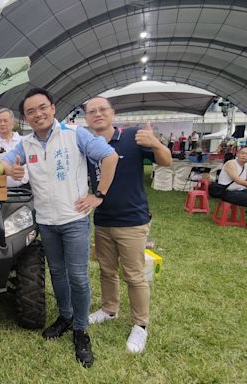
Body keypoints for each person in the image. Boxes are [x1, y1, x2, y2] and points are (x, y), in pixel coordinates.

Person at [1, 88, 118, 368]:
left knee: (78, 276)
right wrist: (10, 170)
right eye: (31, 111)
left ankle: (80, 329)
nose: (38, 114)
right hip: (46, 221)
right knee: (57, 273)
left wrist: (98, 195)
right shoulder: (26, 145)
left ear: (53, 108)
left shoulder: (74, 133)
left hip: (74, 219)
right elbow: (2, 162)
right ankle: (65, 316)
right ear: (26, 118)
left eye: (42, 108)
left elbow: (109, 157)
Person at [84, 97, 172, 354]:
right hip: (102, 219)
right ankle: (109, 309)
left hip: (132, 220)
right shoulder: (87, 144)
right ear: (86, 118)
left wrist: (155, 142)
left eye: (102, 110)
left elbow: (166, 161)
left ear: (113, 113)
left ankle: (140, 325)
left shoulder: (133, 137)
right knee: (106, 270)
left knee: (134, 275)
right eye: (92, 112)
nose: (98, 114)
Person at [0, 108, 29, 187]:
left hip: (24, 188)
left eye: (5, 121)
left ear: (12, 123)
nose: (2, 124)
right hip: (1, 189)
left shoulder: (23, 141)